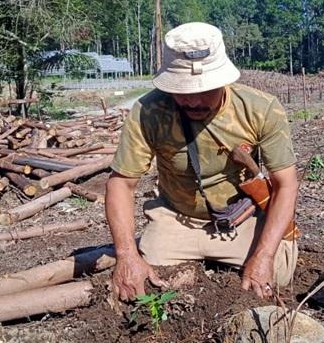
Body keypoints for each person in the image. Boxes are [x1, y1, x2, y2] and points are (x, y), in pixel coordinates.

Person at [105, 22, 299, 301]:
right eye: (182, 91)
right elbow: (121, 184)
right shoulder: (150, 111)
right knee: (147, 268)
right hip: (178, 219)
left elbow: (286, 185)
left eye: (206, 90)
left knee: (278, 272)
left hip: (238, 220)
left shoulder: (260, 109)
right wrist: (125, 254)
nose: (194, 101)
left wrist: (265, 254)